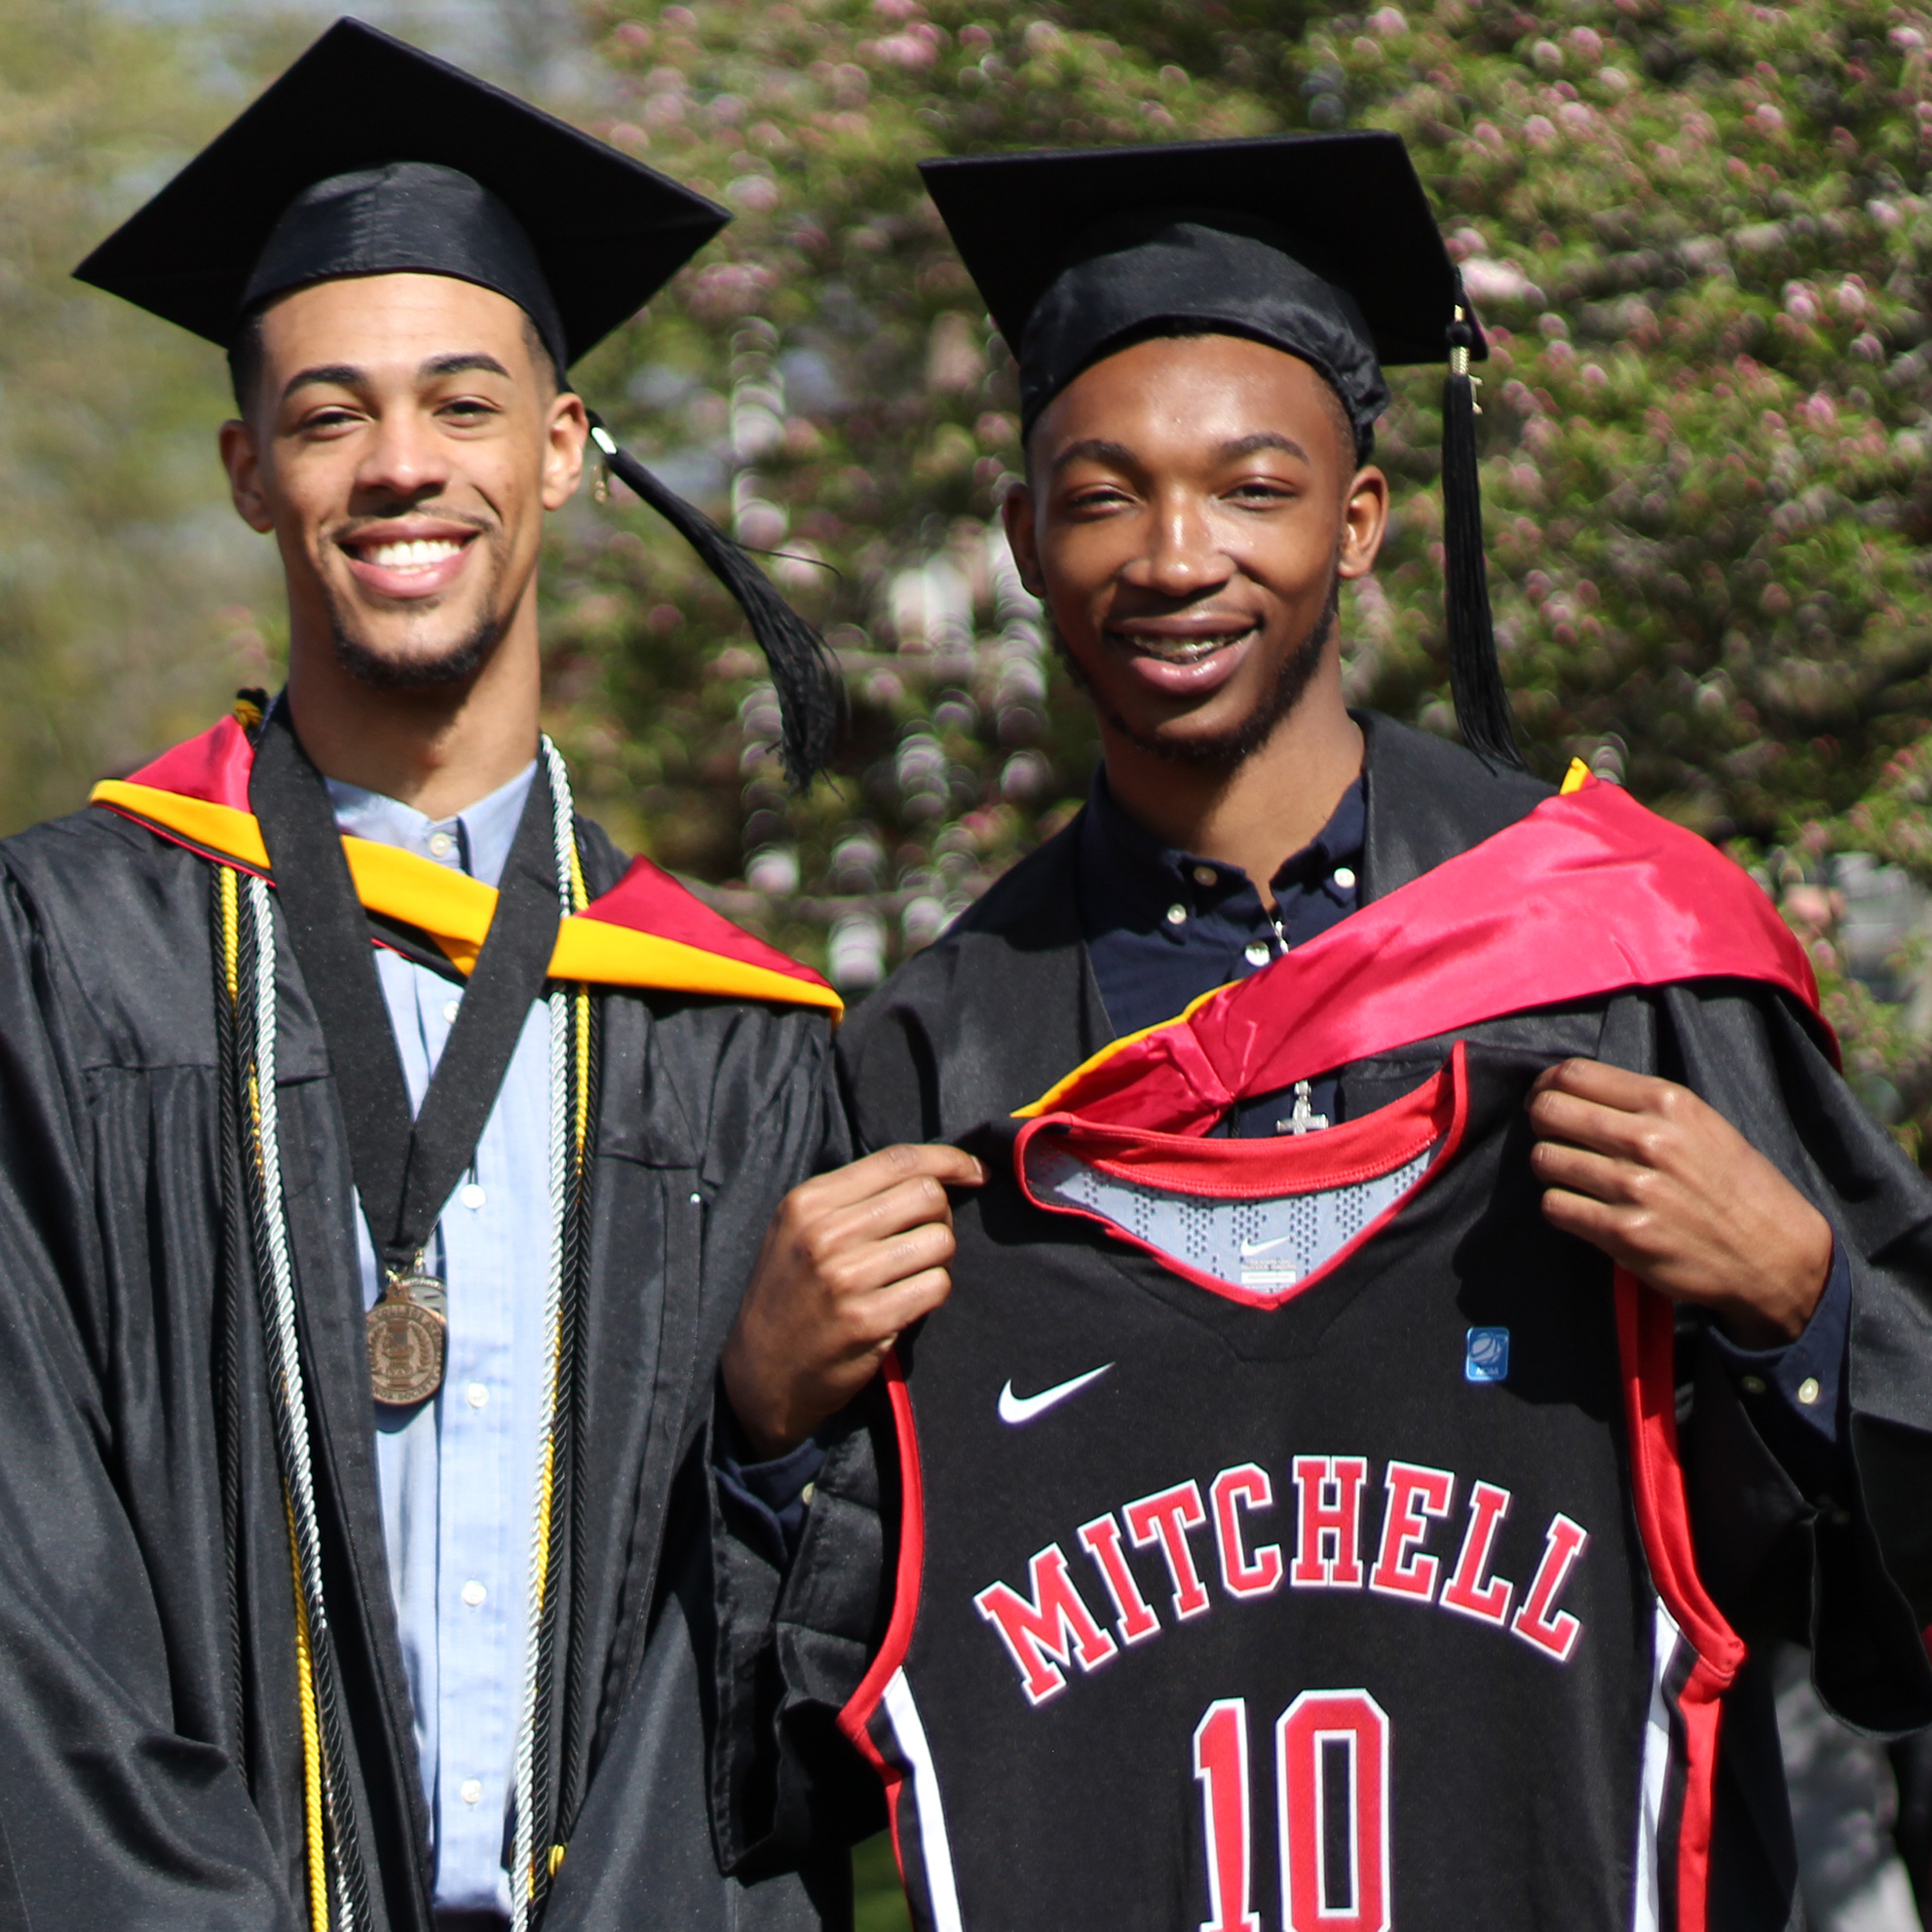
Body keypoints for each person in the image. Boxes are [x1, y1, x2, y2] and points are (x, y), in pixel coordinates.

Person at [718, 133, 1932, 1927]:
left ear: (1358, 522)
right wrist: (761, 1421)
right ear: (1026, 539)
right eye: (1108, 493)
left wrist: (1799, 1300)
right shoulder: (936, 1065)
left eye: (1252, 488)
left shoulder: (1619, 958)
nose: (1179, 557)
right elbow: (802, 1741)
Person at [0, 19, 960, 1932]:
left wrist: (769, 1443)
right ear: (249, 468)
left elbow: (819, 1729)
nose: (399, 466)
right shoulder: (73, 953)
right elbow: (26, 1576)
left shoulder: (727, 1032)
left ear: (564, 445)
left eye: (458, 402)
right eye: (331, 411)